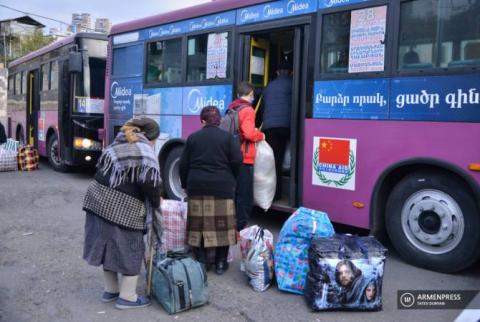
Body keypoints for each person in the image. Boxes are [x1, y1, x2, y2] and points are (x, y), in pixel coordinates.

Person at [82, 116, 162, 310]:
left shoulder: (115, 144)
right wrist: (157, 201)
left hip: (95, 200)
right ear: (150, 137)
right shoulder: (144, 150)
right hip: (121, 206)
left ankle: (111, 290)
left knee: (106, 245)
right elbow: (150, 182)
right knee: (131, 247)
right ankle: (127, 297)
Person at [179, 106, 242, 274]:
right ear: (219, 120)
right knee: (223, 226)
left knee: (198, 225)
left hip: (197, 185)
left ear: (202, 121)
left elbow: (183, 164)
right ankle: (221, 263)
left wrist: (185, 184)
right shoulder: (228, 138)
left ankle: (201, 260)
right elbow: (237, 161)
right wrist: (231, 179)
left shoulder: (193, 138)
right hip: (222, 186)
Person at [227, 81, 265, 231]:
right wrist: (260, 134)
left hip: (233, 155)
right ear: (250, 95)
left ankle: (232, 222)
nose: (253, 99)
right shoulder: (248, 110)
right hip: (245, 157)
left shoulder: (233, 107)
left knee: (235, 193)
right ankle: (240, 228)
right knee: (245, 196)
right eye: (252, 96)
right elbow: (248, 134)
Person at [262, 61, 293, 200]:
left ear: (277, 72)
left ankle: (274, 194)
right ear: (291, 72)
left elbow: (264, 107)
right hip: (287, 127)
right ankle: (285, 191)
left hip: (270, 127)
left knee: (275, 162)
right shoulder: (293, 84)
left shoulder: (269, 86)